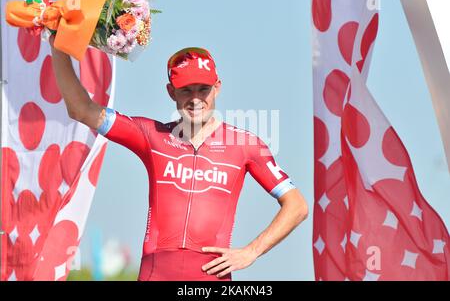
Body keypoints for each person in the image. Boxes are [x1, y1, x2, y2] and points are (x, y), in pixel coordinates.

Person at [50, 39, 309, 281]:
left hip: (211, 275)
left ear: (217, 87)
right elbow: (81, 109)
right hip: (156, 271)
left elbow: (296, 206)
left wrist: (252, 251)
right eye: (186, 90)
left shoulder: (245, 145)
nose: (195, 99)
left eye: (203, 89)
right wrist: (58, 46)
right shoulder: (152, 135)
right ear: (171, 92)